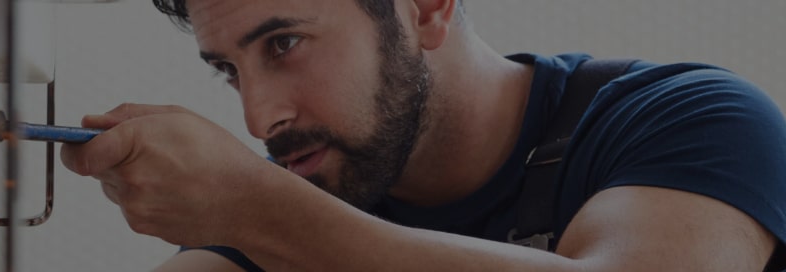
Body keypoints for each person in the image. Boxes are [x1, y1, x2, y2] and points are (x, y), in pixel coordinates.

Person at [58, 0, 786, 271]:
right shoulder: (295, 194)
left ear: (426, 8)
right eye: (228, 70)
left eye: (283, 44)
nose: (258, 120)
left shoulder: (692, 118)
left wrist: (256, 209)